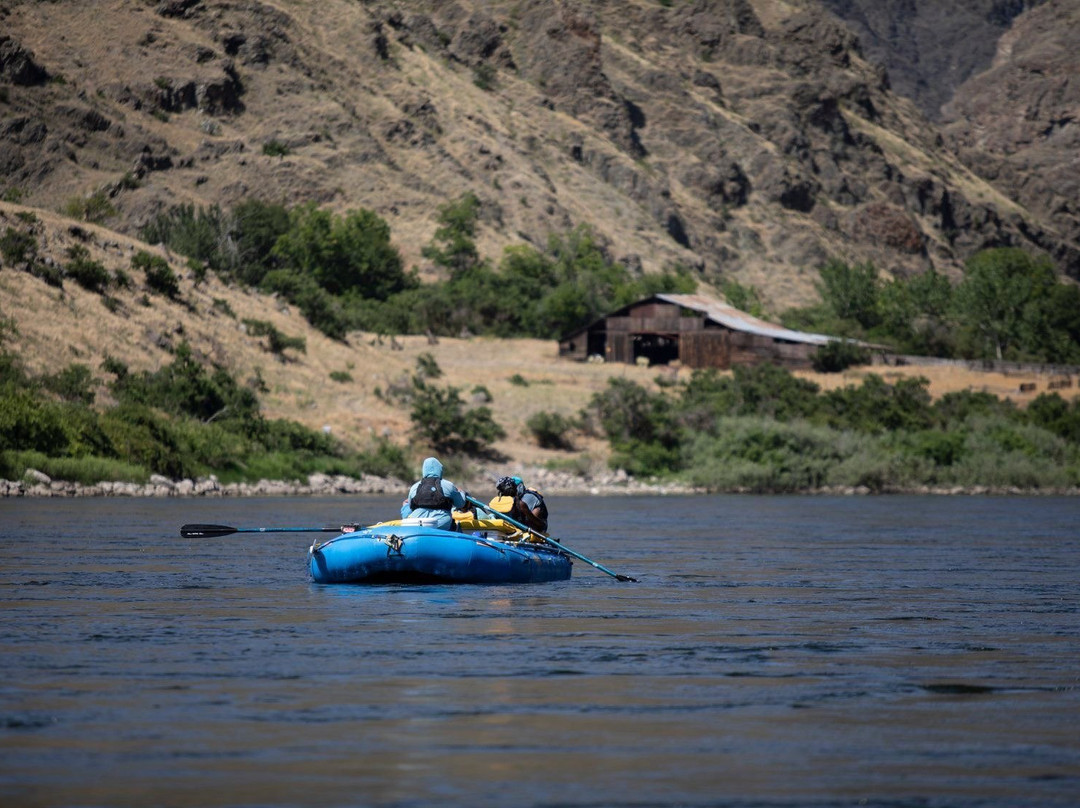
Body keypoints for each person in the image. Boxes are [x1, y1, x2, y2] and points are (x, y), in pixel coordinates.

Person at [400, 456, 467, 531]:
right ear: (440, 470)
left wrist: (406, 505)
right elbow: (461, 503)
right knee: (456, 525)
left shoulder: (414, 487)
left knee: (406, 504)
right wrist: (461, 493)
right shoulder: (449, 485)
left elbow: (409, 509)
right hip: (441, 525)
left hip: (418, 525)